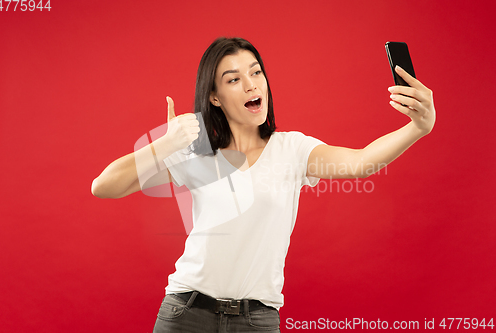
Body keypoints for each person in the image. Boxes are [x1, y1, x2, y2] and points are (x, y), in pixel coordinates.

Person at [91, 37, 436, 332]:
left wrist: (418, 128)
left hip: (256, 321)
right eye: (234, 79)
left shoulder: (292, 149)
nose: (252, 85)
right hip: (186, 314)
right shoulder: (196, 154)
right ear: (214, 97)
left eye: (256, 73)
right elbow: (104, 185)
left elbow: (361, 163)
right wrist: (165, 143)